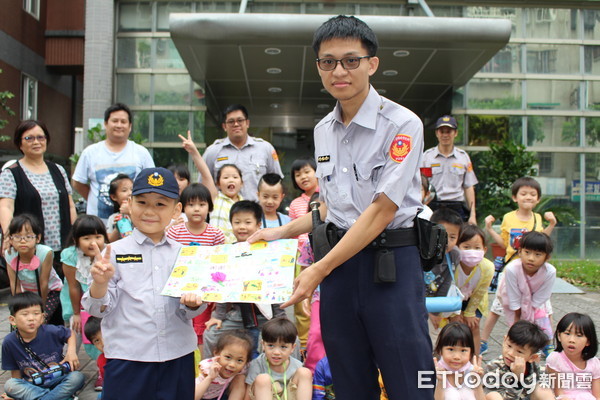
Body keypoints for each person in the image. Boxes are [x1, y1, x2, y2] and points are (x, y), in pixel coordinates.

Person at [248, 15, 434, 399]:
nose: (339, 71)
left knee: (409, 376)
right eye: (327, 62)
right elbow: (333, 207)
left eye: (351, 60)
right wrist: (277, 232)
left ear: (372, 63)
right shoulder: (322, 130)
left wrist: (317, 269)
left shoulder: (403, 124)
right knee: (348, 378)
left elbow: (382, 210)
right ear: (318, 67)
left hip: (391, 267)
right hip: (339, 272)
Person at [81, 167, 205, 400]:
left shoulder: (186, 255)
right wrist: (100, 283)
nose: (150, 211)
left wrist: (192, 304)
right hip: (128, 358)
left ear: (176, 210)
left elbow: (192, 311)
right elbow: (97, 308)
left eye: (160, 204)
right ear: (129, 204)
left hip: (177, 357)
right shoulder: (112, 253)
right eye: (142, 202)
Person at [481, 177, 557, 355]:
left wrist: (552, 224)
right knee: (498, 308)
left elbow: (542, 242)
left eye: (533, 194)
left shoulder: (538, 218)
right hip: (513, 268)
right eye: (523, 194)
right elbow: (504, 242)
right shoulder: (508, 218)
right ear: (515, 197)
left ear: (538, 199)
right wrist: (490, 229)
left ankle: (548, 342)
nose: (528, 197)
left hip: (534, 273)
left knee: (545, 308)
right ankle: (484, 341)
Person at [203, 200, 286, 359]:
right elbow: (222, 287)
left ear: (258, 225)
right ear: (231, 224)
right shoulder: (228, 252)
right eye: (237, 222)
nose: (242, 227)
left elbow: (276, 287)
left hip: (266, 317)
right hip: (237, 315)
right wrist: (217, 316)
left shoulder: (269, 252)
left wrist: (280, 318)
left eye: (248, 222)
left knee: (286, 337)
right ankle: (210, 377)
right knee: (211, 334)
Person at [0, 120, 77, 275]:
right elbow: (6, 207)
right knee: (34, 292)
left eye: (40, 137)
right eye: (29, 138)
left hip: (62, 245)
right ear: (19, 143)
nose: (36, 142)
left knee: (61, 291)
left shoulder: (58, 170)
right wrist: (9, 235)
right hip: (29, 246)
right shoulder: (11, 173)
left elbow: (70, 206)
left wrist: (76, 234)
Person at [72, 103, 154, 222]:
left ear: (130, 126)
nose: (119, 125)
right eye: (115, 121)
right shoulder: (90, 152)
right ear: (105, 124)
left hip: (134, 222)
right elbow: (78, 183)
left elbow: (150, 184)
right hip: (99, 224)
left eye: (123, 121)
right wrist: (95, 197)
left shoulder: (141, 152)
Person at [2, 292, 85, 400]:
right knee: (10, 385)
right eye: (25, 314)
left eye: (36, 313)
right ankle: (57, 397)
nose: (31, 318)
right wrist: (14, 395)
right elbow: (15, 371)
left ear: (42, 317)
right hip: (32, 384)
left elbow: (70, 334)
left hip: (57, 378)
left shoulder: (50, 331)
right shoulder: (9, 342)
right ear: (13, 320)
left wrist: (71, 352)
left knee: (77, 377)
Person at [203, 104, 283, 201]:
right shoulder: (212, 151)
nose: (236, 124)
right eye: (231, 121)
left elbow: (276, 182)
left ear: (247, 123)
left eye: (240, 120)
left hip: (257, 211)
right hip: (224, 213)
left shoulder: (265, 148)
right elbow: (204, 185)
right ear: (224, 126)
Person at [496, 231, 556, 357]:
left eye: (538, 254)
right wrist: (520, 315)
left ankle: (545, 344)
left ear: (547, 257)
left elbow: (542, 296)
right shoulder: (512, 269)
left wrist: (530, 309)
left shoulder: (550, 271)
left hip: (536, 302)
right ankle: (516, 347)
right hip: (512, 298)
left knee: (541, 317)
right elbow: (513, 297)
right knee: (517, 325)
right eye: (527, 252)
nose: (531, 258)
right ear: (519, 251)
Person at [59, 214, 109, 367]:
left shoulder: (109, 252)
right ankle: (68, 363)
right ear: (76, 240)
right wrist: (76, 313)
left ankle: (103, 367)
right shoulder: (70, 255)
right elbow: (73, 286)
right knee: (76, 328)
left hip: (101, 300)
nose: (93, 242)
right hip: (76, 301)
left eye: (98, 236)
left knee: (102, 334)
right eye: (86, 238)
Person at [5, 214, 62, 323]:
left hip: (50, 291)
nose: (23, 241)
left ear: (38, 238)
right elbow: (14, 284)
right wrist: (18, 307)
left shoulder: (45, 252)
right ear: (11, 239)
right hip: (29, 292)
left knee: (41, 319)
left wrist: (40, 309)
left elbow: (44, 283)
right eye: (17, 236)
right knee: (20, 320)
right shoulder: (9, 254)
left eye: (28, 236)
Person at [422, 115, 478, 224]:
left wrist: (473, 215)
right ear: (437, 133)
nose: (445, 135)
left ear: (455, 133)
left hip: (456, 206)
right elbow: (421, 184)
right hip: (433, 205)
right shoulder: (427, 157)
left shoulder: (463, 157)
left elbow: (469, 187)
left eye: (449, 131)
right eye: (442, 131)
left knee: (457, 238)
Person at [450, 225, 494, 355]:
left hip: (474, 301)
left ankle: (475, 361)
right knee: (453, 328)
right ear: (457, 247)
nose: (472, 251)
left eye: (477, 247)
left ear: (484, 249)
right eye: (466, 247)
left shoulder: (487, 267)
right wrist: (454, 314)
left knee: (473, 327)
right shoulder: (453, 264)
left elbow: (480, 292)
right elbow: (449, 288)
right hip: (453, 299)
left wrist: (469, 313)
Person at [484, 320, 555, 400]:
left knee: (543, 390)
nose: (510, 353)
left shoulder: (533, 366)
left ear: (532, 357)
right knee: (493, 396)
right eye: (509, 346)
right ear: (504, 340)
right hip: (507, 397)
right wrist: (517, 379)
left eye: (519, 351)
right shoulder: (493, 368)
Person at [244, 318, 312, 400]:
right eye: (271, 345)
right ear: (263, 345)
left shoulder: (297, 365)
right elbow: (248, 395)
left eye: (283, 347)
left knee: (305, 372)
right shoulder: (257, 364)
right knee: (263, 379)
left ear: (292, 348)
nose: (276, 352)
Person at [425, 208, 463, 344]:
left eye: (452, 237)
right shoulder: (420, 252)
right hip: (414, 303)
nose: (447, 241)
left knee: (432, 339)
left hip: (434, 304)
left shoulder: (454, 255)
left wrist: (435, 312)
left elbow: (447, 282)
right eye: (442, 235)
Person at [545, 312, 600, 400]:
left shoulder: (594, 363)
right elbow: (558, 392)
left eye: (579, 335)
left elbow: (597, 395)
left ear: (588, 341)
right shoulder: (555, 359)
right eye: (567, 333)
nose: (571, 340)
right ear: (559, 336)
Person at [432, 322, 485, 400]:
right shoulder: (437, 372)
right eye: (451, 349)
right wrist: (440, 382)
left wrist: (477, 381)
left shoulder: (472, 371)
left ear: (471, 352)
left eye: (463, 350)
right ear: (440, 350)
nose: (457, 357)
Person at [195, 330, 252, 400]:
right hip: (200, 396)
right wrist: (210, 378)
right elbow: (192, 396)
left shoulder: (242, 369)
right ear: (216, 353)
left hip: (221, 395)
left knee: (240, 378)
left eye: (239, 360)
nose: (232, 365)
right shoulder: (207, 368)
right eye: (228, 357)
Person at [288, 157, 319, 248]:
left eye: (307, 172)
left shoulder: (325, 197)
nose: (303, 177)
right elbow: (293, 231)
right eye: (298, 175)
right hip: (301, 252)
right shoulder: (295, 203)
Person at [210, 164, 244, 243]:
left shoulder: (245, 204)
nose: (231, 180)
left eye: (235, 177)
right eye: (226, 177)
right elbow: (205, 174)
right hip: (215, 247)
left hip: (236, 247)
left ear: (242, 183)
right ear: (218, 184)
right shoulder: (215, 197)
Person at [106, 174, 134, 242]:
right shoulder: (113, 217)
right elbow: (110, 240)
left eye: (132, 189)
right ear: (114, 197)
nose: (130, 193)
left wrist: (130, 213)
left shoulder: (141, 214)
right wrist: (117, 228)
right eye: (124, 190)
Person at [84, 316, 106, 395]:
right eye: (97, 340)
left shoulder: (126, 354)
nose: (103, 344)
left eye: (104, 335)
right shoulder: (101, 360)